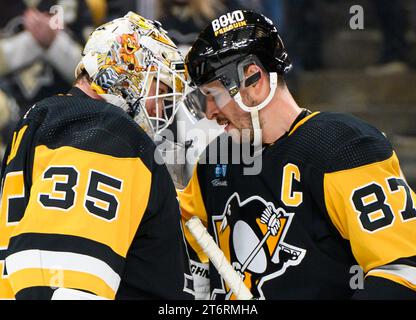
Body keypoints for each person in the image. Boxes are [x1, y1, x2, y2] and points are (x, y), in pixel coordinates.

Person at [179, 9, 416, 299]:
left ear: (254, 80)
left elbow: (404, 271)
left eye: (214, 95)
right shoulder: (217, 158)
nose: (210, 113)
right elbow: (178, 238)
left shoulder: (344, 147)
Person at [0, 12, 194, 300]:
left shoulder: (48, 117)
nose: (159, 110)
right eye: (160, 90)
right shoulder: (103, 128)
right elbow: (69, 275)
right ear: (125, 68)